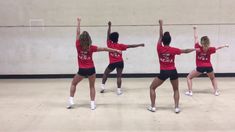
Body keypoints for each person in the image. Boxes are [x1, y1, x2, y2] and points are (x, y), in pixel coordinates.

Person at [67, 18, 121, 110]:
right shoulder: (91, 47)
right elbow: (105, 49)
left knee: (73, 84)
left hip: (82, 70)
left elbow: (77, 32)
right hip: (91, 69)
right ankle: (92, 104)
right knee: (92, 86)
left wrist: (79, 22)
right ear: (89, 39)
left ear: (81, 39)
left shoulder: (77, 45)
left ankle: (71, 100)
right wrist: (116, 50)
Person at [148, 20, 196, 113]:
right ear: (170, 41)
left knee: (152, 88)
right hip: (173, 71)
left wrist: (161, 25)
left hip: (164, 72)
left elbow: (160, 36)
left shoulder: (159, 48)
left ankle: (153, 107)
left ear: (162, 41)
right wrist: (195, 49)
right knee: (176, 89)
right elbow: (185, 50)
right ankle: (176, 107)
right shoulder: (173, 50)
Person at [100, 21, 145, 95]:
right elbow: (131, 46)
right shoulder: (120, 46)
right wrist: (140, 44)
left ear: (111, 39)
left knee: (105, 73)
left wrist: (109, 26)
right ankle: (118, 90)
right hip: (120, 62)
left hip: (112, 63)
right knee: (119, 76)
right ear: (117, 39)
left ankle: (102, 87)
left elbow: (108, 35)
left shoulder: (109, 44)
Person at [185, 26, 229, 96]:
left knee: (189, 77)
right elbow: (218, 48)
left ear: (201, 43)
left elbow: (195, 38)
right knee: (213, 78)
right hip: (209, 67)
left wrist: (195, 29)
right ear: (208, 42)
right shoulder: (210, 49)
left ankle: (190, 92)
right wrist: (225, 45)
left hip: (200, 67)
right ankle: (216, 92)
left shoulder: (198, 47)